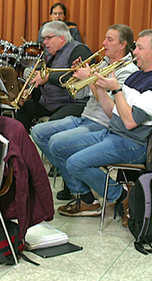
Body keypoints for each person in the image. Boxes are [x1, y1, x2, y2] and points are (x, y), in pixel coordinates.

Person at [51, 29, 152, 227]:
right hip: (113, 134)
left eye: (140, 48)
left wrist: (116, 88)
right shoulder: (140, 76)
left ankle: (123, 195)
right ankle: (87, 200)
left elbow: (130, 122)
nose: (134, 52)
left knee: (76, 163)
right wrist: (98, 85)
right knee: (58, 147)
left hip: (133, 144)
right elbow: (112, 112)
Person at [31, 24, 138, 201]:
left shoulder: (128, 71)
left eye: (109, 40)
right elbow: (80, 94)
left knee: (57, 143)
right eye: (105, 38)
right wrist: (77, 76)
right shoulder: (104, 63)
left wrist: (90, 79)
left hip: (102, 124)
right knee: (38, 132)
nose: (104, 43)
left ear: (122, 45)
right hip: (85, 117)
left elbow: (109, 105)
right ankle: (76, 184)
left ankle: (83, 196)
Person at [15, 21, 93, 131]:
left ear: (61, 38)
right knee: (26, 107)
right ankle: (19, 143)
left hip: (72, 103)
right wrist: (30, 94)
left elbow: (74, 76)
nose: (45, 42)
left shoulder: (79, 50)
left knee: (48, 129)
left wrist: (47, 77)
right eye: (44, 39)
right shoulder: (50, 55)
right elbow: (43, 83)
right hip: (50, 103)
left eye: (48, 38)